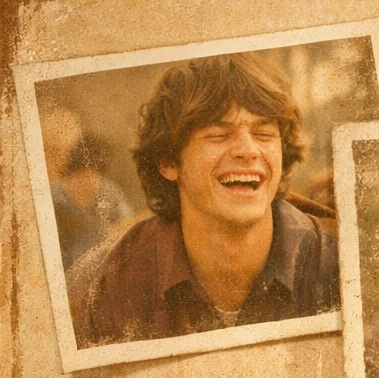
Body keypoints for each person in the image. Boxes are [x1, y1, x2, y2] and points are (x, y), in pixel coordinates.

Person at [66, 53, 339, 347]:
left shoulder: (339, 269)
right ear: (168, 161)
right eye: (219, 134)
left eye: (263, 133)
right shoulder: (98, 289)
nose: (248, 151)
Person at [51, 132, 134, 270]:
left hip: (102, 270)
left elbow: (127, 227)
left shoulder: (110, 191)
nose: (89, 178)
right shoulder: (54, 195)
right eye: (82, 172)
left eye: (95, 172)